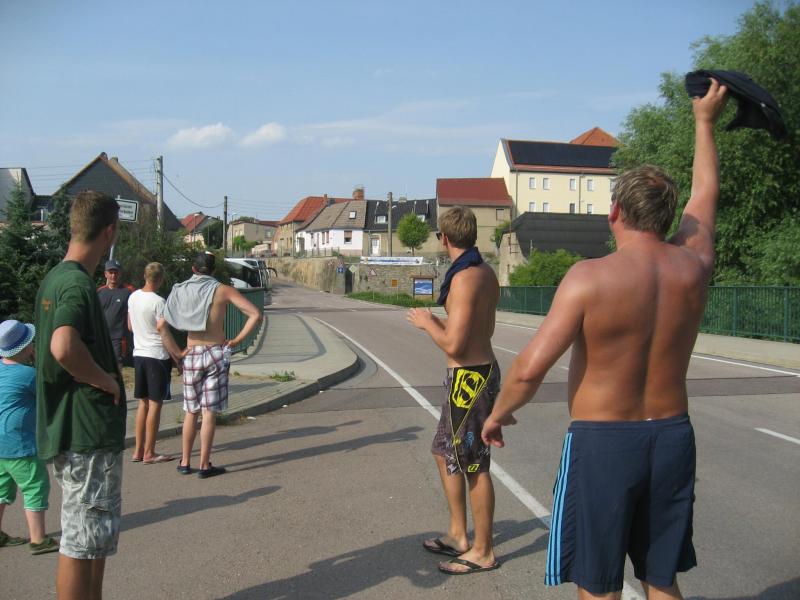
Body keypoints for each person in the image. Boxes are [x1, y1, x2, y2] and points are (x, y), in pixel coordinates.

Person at [481, 80, 729, 599]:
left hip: (604, 441)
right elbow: (706, 195)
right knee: (661, 577)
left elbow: (530, 368)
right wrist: (704, 122)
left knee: (597, 582)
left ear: (614, 212)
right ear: (668, 217)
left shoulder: (588, 278)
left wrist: (498, 413)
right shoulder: (694, 266)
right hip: (672, 436)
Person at [35, 190, 125, 600]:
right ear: (109, 232)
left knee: (92, 540)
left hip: (72, 428)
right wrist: (105, 380)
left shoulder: (56, 277)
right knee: (80, 541)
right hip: (85, 434)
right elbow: (63, 346)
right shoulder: (77, 284)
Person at [406, 206, 501, 575]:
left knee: (473, 463)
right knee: (444, 452)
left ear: (443, 238)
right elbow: (478, 329)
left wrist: (427, 323)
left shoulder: (463, 279)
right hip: (474, 374)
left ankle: (483, 550)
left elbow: (455, 345)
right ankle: (459, 534)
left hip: (470, 379)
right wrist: (441, 323)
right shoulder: (485, 272)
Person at [164, 252, 261, 479]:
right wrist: (236, 340)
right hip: (215, 352)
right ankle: (204, 464)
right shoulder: (223, 290)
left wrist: (176, 353)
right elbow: (255, 314)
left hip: (192, 352)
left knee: (191, 411)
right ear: (213, 270)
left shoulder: (181, 289)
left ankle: (185, 461)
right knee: (209, 412)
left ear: (193, 269)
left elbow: (162, 323)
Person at [0, 320, 59, 555]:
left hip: (0, 443)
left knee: (1, 488)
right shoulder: (28, 374)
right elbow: (49, 397)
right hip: (20, 444)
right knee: (35, 486)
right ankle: (38, 539)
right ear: (26, 348)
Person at [128, 262, 184, 464]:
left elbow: (130, 326)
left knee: (142, 403)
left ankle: (138, 450)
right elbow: (163, 331)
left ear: (145, 276)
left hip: (139, 354)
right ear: (160, 279)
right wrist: (177, 355)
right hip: (156, 356)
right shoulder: (160, 302)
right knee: (155, 404)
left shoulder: (133, 297)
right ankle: (150, 452)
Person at [97, 259, 133, 366]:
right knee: (101, 367)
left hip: (119, 339)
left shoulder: (128, 291)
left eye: (116, 272)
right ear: (105, 274)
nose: (113, 275)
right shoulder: (100, 291)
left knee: (117, 368)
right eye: (111, 272)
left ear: (120, 273)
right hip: (102, 337)